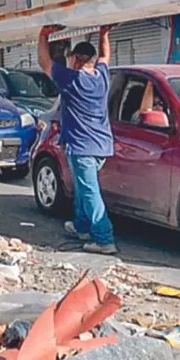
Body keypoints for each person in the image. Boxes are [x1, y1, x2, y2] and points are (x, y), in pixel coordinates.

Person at [39, 24, 117, 255]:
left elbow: (45, 63)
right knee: (84, 189)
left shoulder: (71, 80)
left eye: (71, 57)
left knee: (90, 191)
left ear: (76, 59)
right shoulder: (102, 78)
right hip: (102, 147)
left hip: (81, 148)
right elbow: (105, 55)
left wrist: (43, 35)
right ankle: (82, 227)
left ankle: (104, 239)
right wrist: (104, 33)